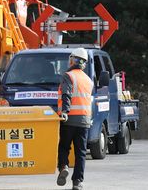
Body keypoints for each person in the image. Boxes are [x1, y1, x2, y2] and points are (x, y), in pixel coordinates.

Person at [56, 48, 93, 190]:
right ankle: (77, 182)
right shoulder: (88, 80)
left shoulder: (68, 76)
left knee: (64, 146)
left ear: (73, 60)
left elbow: (66, 94)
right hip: (84, 121)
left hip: (69, 119)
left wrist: (64, 111)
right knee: (81, 153)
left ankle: (64, 166)